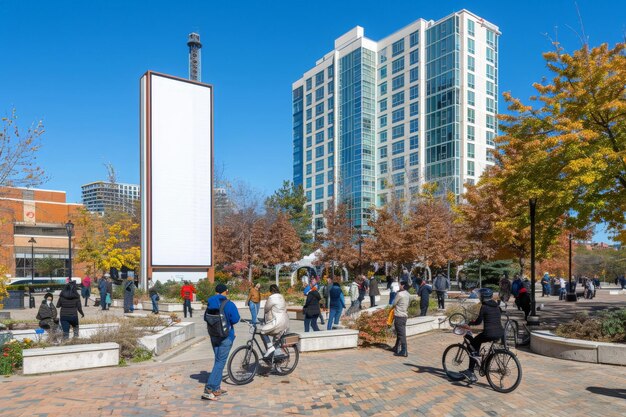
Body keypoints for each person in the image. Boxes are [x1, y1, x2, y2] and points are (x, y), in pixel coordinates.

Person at [202, 284, 240, 401]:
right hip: (226, 336)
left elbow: (205, 318)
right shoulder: (228, 304)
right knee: (220, 362)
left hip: (214, 335)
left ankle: (216, 388)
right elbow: (235, 319)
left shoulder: (210, 303)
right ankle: (209, 389)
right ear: (226, 291)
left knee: (218, 360)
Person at [459, 288, 504, 383]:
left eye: (480, 296)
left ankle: (470, 371)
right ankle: (479, 361)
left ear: (483, 297)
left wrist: (470, 323)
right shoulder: (496, 306)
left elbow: (478, 321)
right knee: (477, 342)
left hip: (489, 333)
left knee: (474, 343)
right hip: (500, 333)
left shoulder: (484, 307)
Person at [259, 284, 290, 359]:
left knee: (262, 331)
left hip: (277, 322)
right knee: (276, 341)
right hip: (285, 322)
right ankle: (276, 362)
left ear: (271, 291)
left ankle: (270, 348)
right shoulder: (281, 297)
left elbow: (266, 308)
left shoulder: (272, 298)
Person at [391, 282, 410, 357]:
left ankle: (404, 350)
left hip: (399, 316)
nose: (399, 286)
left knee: (401, 334)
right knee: (400, 332)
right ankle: (396, 347)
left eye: (400, 285)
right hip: (404, 316)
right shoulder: (408, 294)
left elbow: (393, 303)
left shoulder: (399, 294)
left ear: (403, 285)